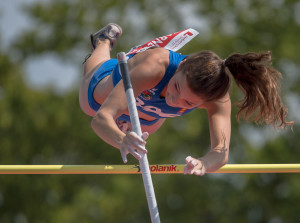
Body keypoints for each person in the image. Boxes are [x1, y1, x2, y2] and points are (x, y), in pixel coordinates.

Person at [79, 23, 293, 176]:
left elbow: (221, 153)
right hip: (100, 97)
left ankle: (128, 123)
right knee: (90, 96)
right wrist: (121, 139)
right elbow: (100, 119)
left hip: (147, 118)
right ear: (180, 66)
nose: (174, 99)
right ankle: (103, 41)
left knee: (149, 123)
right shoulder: (154, 66)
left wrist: (203, 163)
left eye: (188, 103)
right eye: (176, 86)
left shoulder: (216, 98)